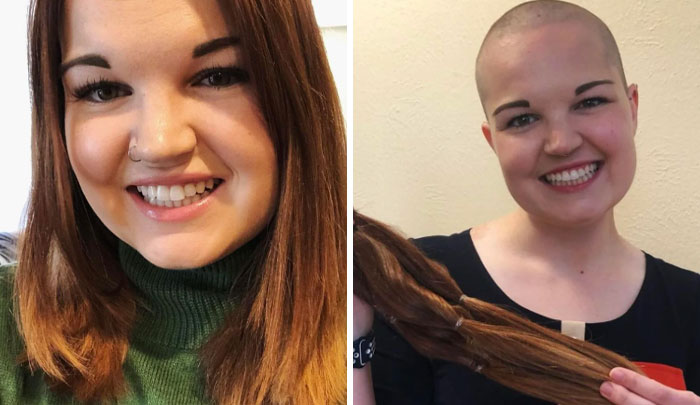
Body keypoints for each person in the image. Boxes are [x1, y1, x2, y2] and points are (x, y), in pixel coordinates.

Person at [353, 1, 700, 404]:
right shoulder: (417, 284)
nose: (562, 142)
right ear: (492, 141)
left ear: (632, 108)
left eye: (589, 102)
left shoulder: (691, 307)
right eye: (521, 119)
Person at [0, 0, 346, 403]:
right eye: (102, 89)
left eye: (217, 77)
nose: (158, 144)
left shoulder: (371, 320)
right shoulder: (10, 328)